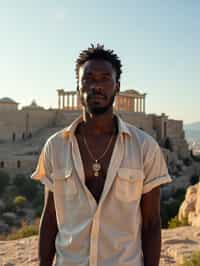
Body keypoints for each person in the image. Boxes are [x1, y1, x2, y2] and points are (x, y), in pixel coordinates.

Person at [31, 44, 172, 266]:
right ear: (78, 86)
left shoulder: (145, 147)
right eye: (88, 78)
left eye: (105, 78)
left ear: (117, 86)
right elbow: (50, 219)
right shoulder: (55, 146)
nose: (97, 85)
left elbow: (152, 223)